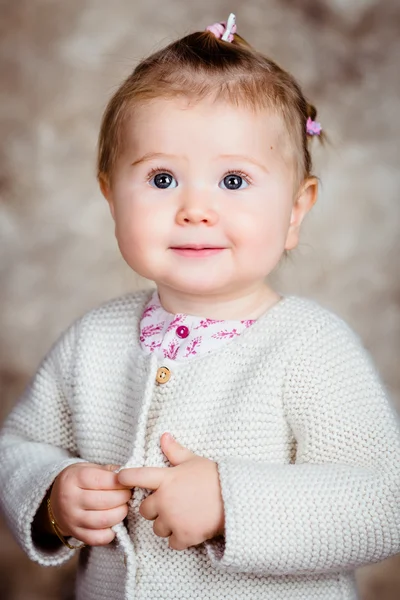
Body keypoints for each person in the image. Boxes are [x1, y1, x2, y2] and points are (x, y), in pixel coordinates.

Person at [1, 13, 399, 600]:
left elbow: (384, 501)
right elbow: (17, 447)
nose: (194, 209)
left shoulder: (310, 346)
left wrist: (230, 505)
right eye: (162, 179)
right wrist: (51, 494)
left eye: (233, 181)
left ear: (294, 210)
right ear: (111, 195)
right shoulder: (94, 340)